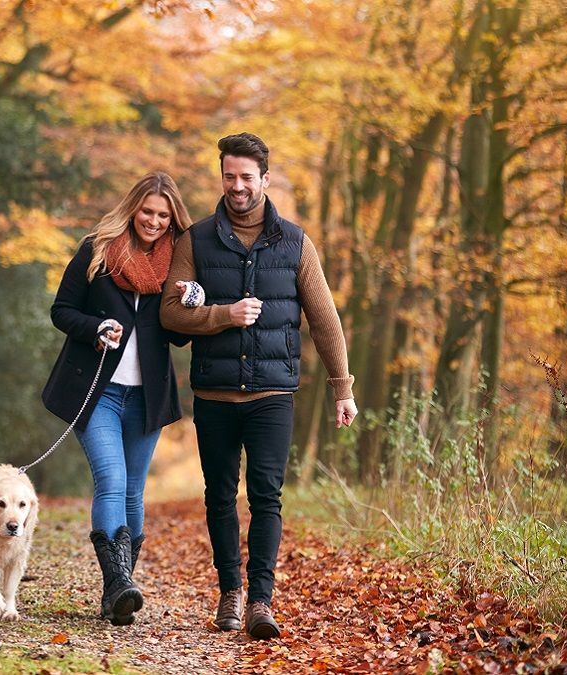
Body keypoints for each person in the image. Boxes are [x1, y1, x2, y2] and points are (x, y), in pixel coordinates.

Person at [160, 133, 358, 640]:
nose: (238, 186)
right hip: (215, 394)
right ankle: (230, 593)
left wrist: (343, 387)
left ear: (265, 180)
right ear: (221, 177)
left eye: (247, 178)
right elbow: (169, 314)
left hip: (273, 395)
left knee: (267, 497)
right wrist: (223, 316)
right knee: (220, 497)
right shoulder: (196, 241)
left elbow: (324, 318)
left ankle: (261, 602)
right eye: (230, 176)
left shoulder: (295, 242)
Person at [42, 171, 191, 626]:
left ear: (172, 219)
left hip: (147, 397)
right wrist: (96, 328)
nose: (154, 221)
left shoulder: (179, 264)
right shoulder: (98, 250)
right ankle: (119, 585)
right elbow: (61, 310)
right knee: (111, 480)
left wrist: (189, 302)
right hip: (98, 390)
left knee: (134, 491)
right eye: (147, 211)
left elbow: (180, 339)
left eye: (163, 215)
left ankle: (117, 590)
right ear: (132, 208)